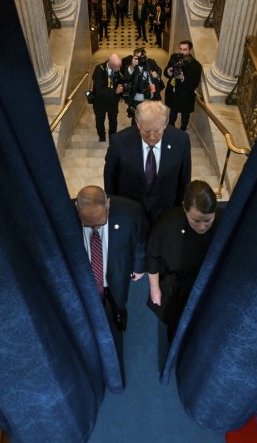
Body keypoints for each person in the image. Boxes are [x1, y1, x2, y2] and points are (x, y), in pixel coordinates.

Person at [146, 180, 222, 340]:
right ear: (184, 209)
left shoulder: (224, 220)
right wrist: (154, 288)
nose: (202, 227)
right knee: (176, 327)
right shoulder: (167, 223)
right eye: (196, 221)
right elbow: (153, 255)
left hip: (210, 282)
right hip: (177, 286)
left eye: (208, 220)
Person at [104, 101, 191, 225]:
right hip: (130, 214)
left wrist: (179, 210)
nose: (151, 136)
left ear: (165, 124)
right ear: (138, 124)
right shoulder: (119, 142)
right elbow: (110, 179)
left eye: (157, 131)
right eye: (146, 130)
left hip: (166, 213)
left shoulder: (181, 141)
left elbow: (184, 178)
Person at [75, 186, 147, 335]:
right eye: (88, 224)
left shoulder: (131, 212)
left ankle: (119, 314)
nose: (94, 227)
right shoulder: (64, 216)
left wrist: (139, 267)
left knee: (118, 299)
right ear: (77, 207)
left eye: (100, 223)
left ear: (107, 205)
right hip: (86, 278)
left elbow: (140, 241)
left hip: (117, 271)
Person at [164, 40, 203, 131]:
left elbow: (194, 84)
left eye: (185, 50)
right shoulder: (174, 57)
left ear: (190, 50)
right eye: (180, 49)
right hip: (173, 93)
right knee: (172, 114)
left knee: (185, 117)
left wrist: (182, 78)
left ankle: (183, 130)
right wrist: (168, 71)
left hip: (185, 95)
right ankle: (170, 129)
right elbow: (166, 72)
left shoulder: (196, 65)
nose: (182, 52)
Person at [121, 47, 162, 123]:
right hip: (137, 99)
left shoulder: (151, 62)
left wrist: (157, 74)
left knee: (150, 119)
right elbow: (127, 77)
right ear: (134, 57)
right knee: (136, 120)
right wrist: (132, 65)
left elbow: (159, 70)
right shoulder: (131, 65)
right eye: (138, 58)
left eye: (142, 57)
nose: (141, 59)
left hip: (150, 97)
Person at [92, 54, 125, 142]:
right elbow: (100, 90)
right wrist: (115, 91)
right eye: (117, 67)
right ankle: (102, 136)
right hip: (99, 103)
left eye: (119, 66)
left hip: (113, 102)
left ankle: (112, 137)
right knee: (99, 122)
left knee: (113, 121)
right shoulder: (99, 70)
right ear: (110, 64)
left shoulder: (118, 70)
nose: (119, 69)